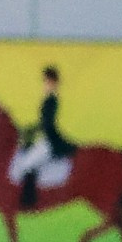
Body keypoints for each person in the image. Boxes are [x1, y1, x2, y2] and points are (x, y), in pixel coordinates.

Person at [11, 65, 75, 211]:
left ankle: (29, 200)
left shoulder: (52, 99)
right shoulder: (49, 98)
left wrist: (31, 130)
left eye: (47, 81)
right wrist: (28, 130)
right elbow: (43, 123)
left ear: (53, 82)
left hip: (50, 141)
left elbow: (47, 124)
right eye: (45, 81)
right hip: (46, 138)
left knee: (27, 164)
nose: (45, 84)